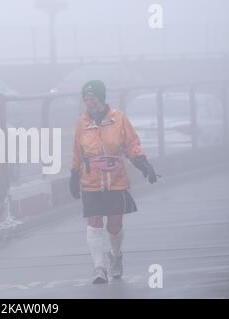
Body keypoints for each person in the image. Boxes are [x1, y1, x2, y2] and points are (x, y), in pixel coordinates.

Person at [69, 80, 158, 284]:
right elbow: (76, 151)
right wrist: (74, 174)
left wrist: (143, 164)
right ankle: (99, 268)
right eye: (86, 99)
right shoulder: (81, 123)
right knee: (94, 222)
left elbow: (131, 144)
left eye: (92, 98)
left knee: (115, 224)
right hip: (91, 181)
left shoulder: (119, 119)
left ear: (101, 98)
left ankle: (115, 256)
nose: (89, 103)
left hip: (115, 180)